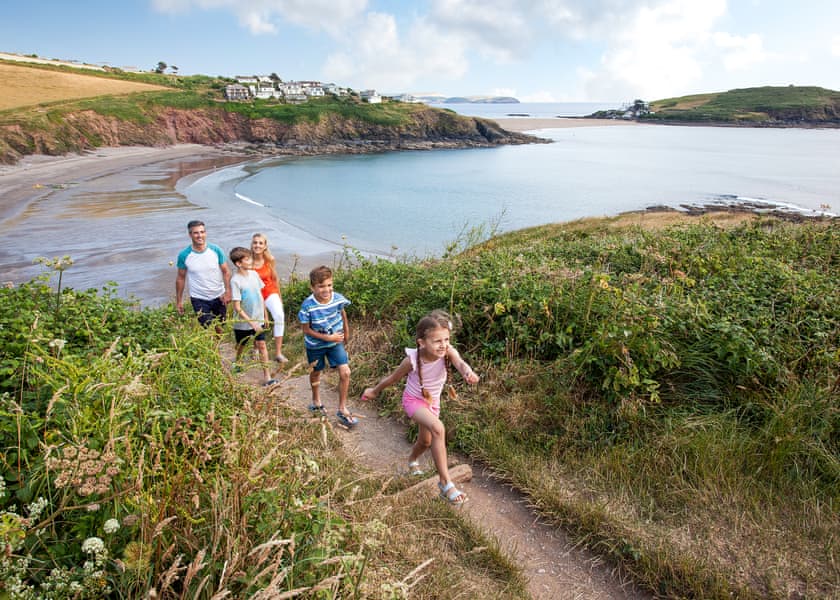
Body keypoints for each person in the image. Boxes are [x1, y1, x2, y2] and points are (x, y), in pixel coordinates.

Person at [361, 310, 479, 505]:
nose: (443, 345)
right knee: (438, 428)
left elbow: (460, 363)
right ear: (422, 342)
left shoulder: (448, 352)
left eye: (446, 339)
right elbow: (392, 379)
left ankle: (412, 461)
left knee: (425, 441)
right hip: (413, 402)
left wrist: (469, 373)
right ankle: (445, 483)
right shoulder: (412, 360)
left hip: (432, 404)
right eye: (437, 341)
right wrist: (374, 390)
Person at [298, 265, 356, 428]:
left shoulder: (337, 298)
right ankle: (316, 401)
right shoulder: (307, 305)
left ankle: (342, 408)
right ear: (312, 287)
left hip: (335, 342)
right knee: (316, 372)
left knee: (345, 372)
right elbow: (306, 329)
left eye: (329, 285)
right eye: (321, 286)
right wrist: (327, 336)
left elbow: (342, 313)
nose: (326, 289)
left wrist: (346, 331)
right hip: (315, 345)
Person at [229, 247, 277, 387]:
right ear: (239, 263)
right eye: (247, 259)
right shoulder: (235, 281)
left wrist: (265, 315)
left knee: (262, 345)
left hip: (258, 319)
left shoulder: (254, 275)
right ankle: (237, 362)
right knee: (241, 345)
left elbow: (260, 295)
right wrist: (252, 324)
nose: (251, 260)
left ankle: (267, 377)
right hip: (242, 323)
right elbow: (237, 307)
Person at [175, 220, 231, 331]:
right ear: (190, 234)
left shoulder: (216, 250)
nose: (200, 235)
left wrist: (228, 292)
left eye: (202, 232)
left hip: (218, 295)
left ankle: (217, 345)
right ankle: (214, 346)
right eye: (196, 233)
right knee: (208, 327)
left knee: (220, 326)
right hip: (198, 298)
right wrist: (179, 301)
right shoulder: (184, 255)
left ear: (205, 233)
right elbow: (180, 278)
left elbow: (226, 271)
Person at [250, 233, 288, 363]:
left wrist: (279, 297)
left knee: (279, 316)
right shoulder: (248, 263)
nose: (257, 245)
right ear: (252, 244)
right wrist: (264, 311)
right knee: (259, 322)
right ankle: (255, 347)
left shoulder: (270, 260)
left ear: (265, 246)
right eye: (255, 242)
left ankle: (278, 353)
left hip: (270, 292)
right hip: (255, 296)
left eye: (260, 243)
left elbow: (275, 279)